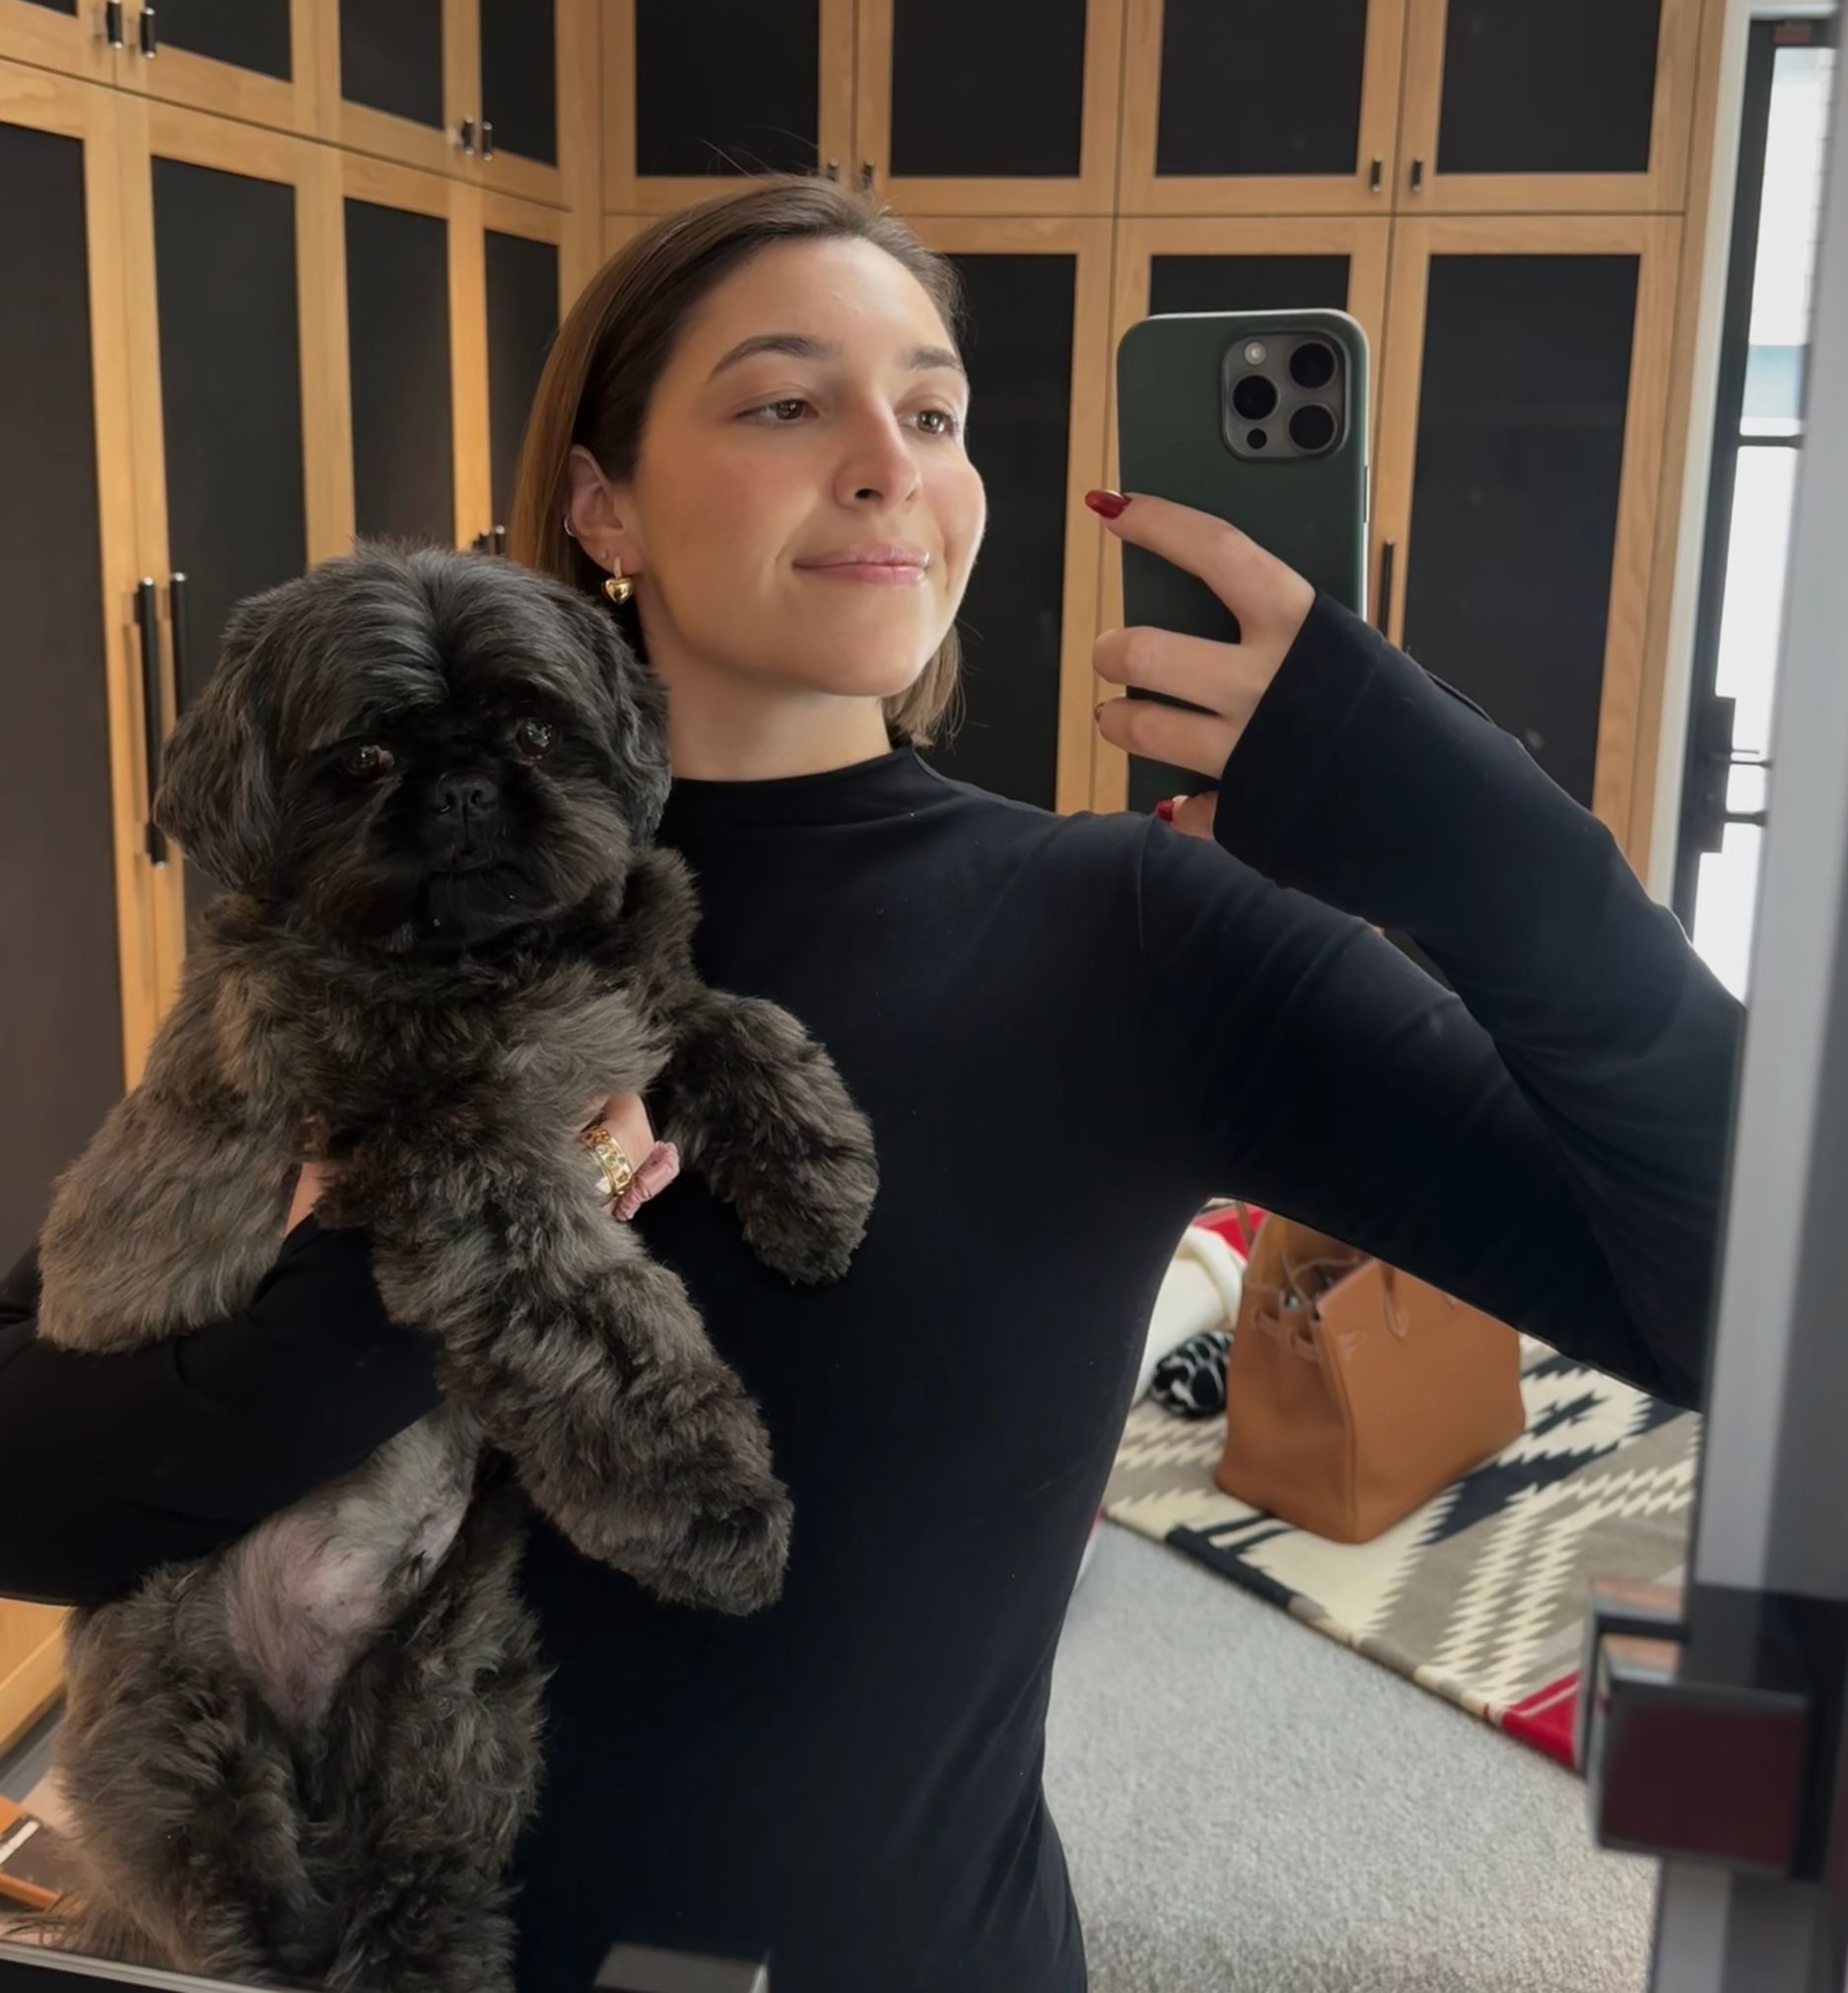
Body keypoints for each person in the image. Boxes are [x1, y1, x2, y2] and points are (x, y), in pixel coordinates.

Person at [0, 176, 1743, 1993]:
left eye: (932, 412)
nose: (886, 462)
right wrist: (417, 1257)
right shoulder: (387, 885)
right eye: (784, 401)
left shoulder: (1132, 935)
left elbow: (1766, 1318)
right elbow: (34, 1477)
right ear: (604, 501)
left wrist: (1500, 859)